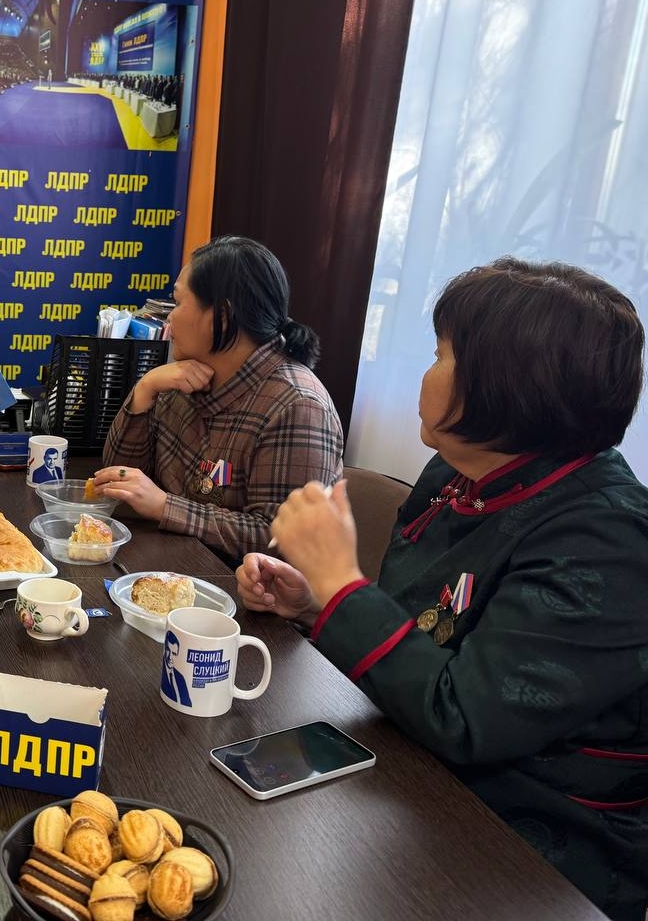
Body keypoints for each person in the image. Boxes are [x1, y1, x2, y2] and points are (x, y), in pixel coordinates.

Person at [236, 258, 648, 920]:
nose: (424, 374)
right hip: (407, 772)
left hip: (529, 857)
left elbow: (466, 718)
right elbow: (420, 635)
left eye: (441, 355)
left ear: (511, 385)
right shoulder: (453, 477)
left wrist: (343, 587)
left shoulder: (609, 538)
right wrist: (317, 604)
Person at [94, 236, 343, 563]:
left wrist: (166, 507)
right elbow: (118, 483)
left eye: (177, 303)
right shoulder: (182, 376)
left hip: (236, 588)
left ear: (222, 316)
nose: (168, 319)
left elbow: (281, 541)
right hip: (168, 566)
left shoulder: (298, 406)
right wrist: (144, 390)